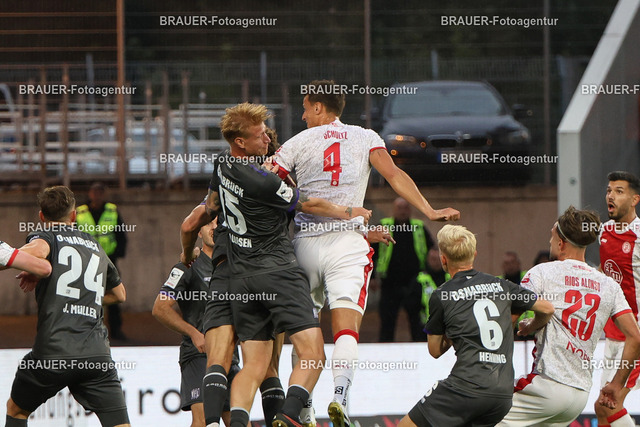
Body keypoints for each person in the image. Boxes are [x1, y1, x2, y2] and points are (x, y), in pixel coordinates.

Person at [272, 79, 460, 427]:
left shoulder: (296, 142)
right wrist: (429, 210)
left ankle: (305, 409)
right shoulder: (366, 137)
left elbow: (267, 185)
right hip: (347, 244)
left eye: (305, 108)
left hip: (305, 245)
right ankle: (340, 398)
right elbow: (394, 175)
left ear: (318, 106)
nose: (302, 116)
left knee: (306, 334)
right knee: (346, 330)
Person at [182, 103, 371, 427]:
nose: (268, 141)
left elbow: (199, 216)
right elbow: (308, 205)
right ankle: (287, 416)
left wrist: (187, 253)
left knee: (242, 363)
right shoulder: (267, 183)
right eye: (261, 136)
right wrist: (350, 212)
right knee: (311, 354)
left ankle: (221, 423)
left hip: (234, 274)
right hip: (276, 271)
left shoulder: (222, 165)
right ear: (241, 142)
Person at [181, 130, 289, 427]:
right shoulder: (281, 185)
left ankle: (214, 424)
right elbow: (307, 213)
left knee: (220, 357)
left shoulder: (225, 184)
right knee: (267, 368)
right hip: (270, 276)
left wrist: (186, 253)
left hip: (229, 273)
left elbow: (190, 223)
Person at [398, 224, 554, 427]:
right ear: (474, 254)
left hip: (466, 387)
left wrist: (456, 329)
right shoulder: (502, 285)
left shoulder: (442, 294)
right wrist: (529, 326)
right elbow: (547, 309)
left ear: (443, 259)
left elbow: (434, 350)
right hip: (502, 395)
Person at [498, 206, 640, 426]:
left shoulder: (542, 273)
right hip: (579, 396)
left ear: (561, 243)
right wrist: (616, 384)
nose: (550, 241)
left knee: (484, 413)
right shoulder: (608, 285)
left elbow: (507, 320)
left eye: (552, 236)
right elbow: (635, 337)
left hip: (547, 385)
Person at [5, 186, 130, 427]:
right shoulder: (95, 245)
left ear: (42, 216)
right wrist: (84, 297)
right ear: (73, 216)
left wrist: (19, 259)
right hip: (96, 356)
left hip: (53, 354)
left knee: (16, 410)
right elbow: (120, 294)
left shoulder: (46, 236)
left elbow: (37, 251)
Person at [153, 219, 238, 427]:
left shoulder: (234, 265)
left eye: (218, 223)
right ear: (199, 232)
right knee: (203, 421)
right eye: (208, 224)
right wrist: (193, 333)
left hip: (230, 355)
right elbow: (160, 308)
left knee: (238, 422)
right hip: (198, 355)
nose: (214, 227)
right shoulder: (187, 266)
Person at [595, 170, 640, 426]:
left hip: (635, 336)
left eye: (619, 191)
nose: (611, 196)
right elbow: (606, 272)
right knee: (605, 407)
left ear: (635, 200)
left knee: (607, 405)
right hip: (615, 335)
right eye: (609, 191)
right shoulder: (604, 231)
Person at [375, 197, 435, 342]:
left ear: (410, 210)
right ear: (393, 210)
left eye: (405, 208)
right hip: (390, 281)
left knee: (417, 321)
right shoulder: (383, 226)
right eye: (399, 208)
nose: (402, 211)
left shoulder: (419, 227)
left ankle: (420, 347)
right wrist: (371, 278)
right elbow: (372, 253)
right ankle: (384, 349)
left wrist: (430, 273)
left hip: (414, 281)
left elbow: (431, 251)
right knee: (387, 321)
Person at [76, 182, 128, 340]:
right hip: (86, 261)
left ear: (104, 194)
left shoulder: (112, 210)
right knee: (87, 296)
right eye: (94, 192)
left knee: (113, 296)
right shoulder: (80, 212)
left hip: (109, 261)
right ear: (89, 194)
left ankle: (116, 331)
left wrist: (117, 254)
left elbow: (121, 235)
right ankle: (87, 331)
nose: (97, 196)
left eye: (100, 192)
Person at [418, 248, 449, 329]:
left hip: (448, 327)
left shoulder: (450, 278)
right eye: (433, 259)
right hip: (426, 327)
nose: (436, 262)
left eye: (439, 260)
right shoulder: (420, 280)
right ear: (428, 260)